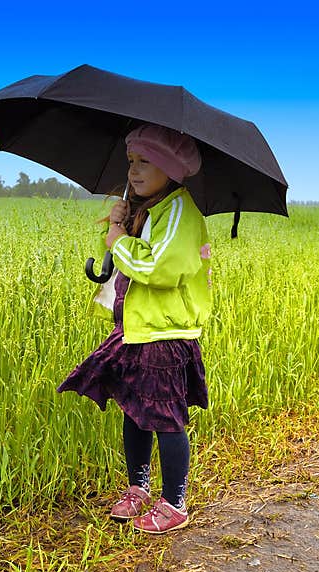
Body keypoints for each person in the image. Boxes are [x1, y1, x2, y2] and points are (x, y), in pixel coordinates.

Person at [57, 123, 213, 535]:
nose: (135, 171)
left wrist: (118, 241)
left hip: (165, 332)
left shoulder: (179, 211)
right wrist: (117, 226)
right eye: (131, 161)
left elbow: (158, 268)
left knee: (164, 417)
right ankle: (138, 488)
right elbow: (116, 266)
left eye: (146, 161)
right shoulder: (148, 210)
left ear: (173, 168)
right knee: (135, 410)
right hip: (136, 327)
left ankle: (175, 502)